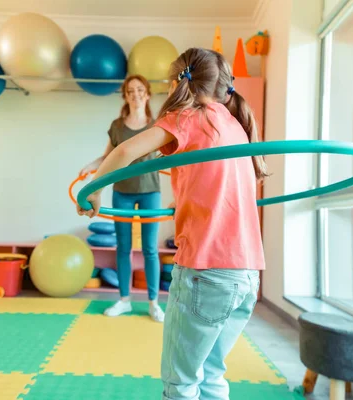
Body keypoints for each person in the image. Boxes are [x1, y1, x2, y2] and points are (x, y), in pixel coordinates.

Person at [77, 48, 268, 399]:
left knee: (180, 384)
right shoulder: (233, 123)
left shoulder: (186, 117)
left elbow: (123, 153)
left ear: (178, 83)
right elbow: (216, 183)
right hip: (247, 274)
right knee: (211, 376)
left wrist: (94, 190)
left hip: (206, 272)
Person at [79, 75, 165, 323]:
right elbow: (108, 158)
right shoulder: (117, 126)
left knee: (150, 249)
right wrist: (90, 167)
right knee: (124, 248)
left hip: (150, 191)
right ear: (126, 96)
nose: (135, 94)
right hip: (122, 192)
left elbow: (169, 156)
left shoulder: (157, 125)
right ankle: (124, 300)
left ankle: (153, 303)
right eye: (130, 91)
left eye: (140, 90)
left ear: (147, 94)